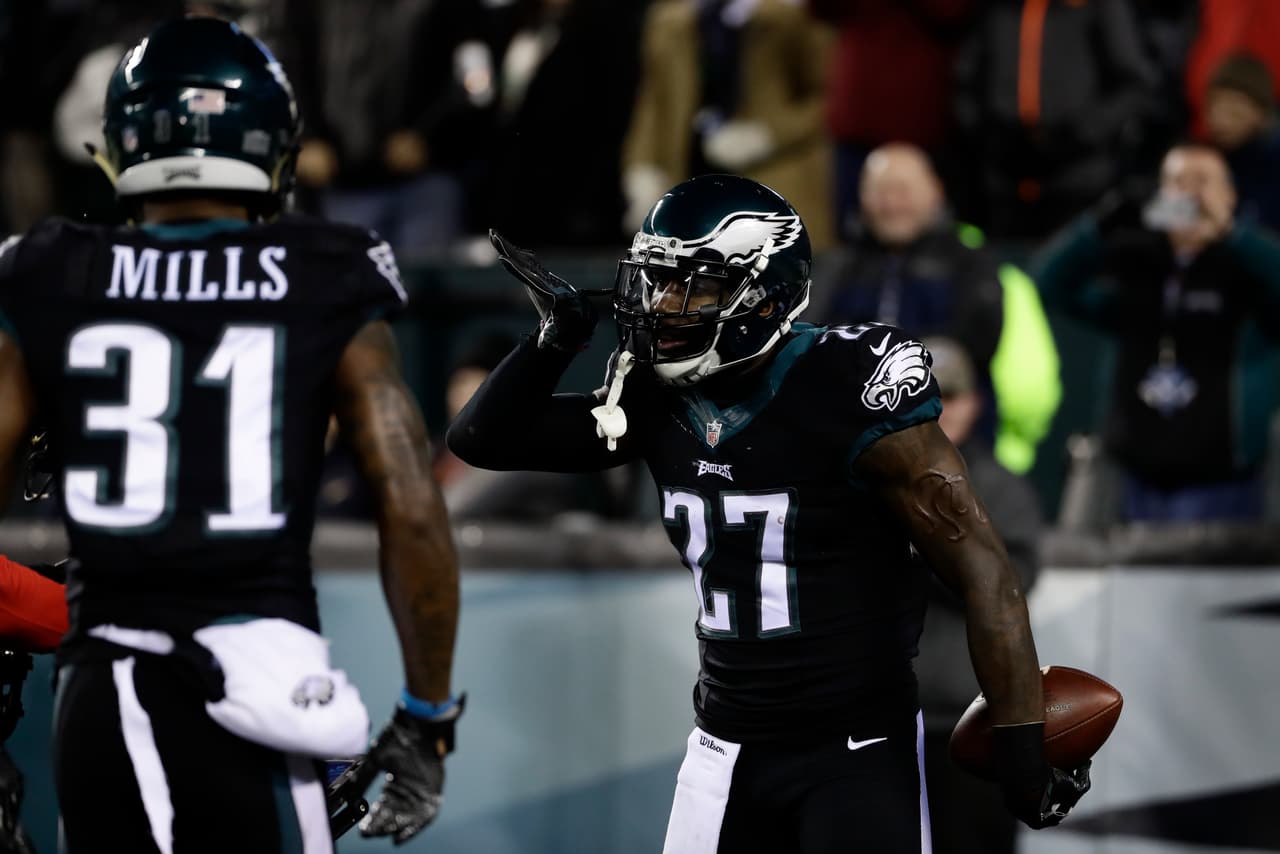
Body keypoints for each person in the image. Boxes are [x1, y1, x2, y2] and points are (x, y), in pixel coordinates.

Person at [448, 174, 1089, 851]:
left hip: (856, 753)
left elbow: (985, 571)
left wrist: (1023, 747)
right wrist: (555, 339)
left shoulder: (851, 385)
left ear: (762, 292)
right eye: (658, 280)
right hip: (723, 750)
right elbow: (481, 440)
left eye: (694, 283)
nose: (665, 304)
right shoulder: (656, 398)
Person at [0, 18, 461, 851]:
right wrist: (428, 718)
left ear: (119, 143)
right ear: (275, 146)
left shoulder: (48, 272)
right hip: (275, 680)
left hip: (116, 682)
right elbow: (414, 508)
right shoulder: (327, 269)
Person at [1034, 143, 1280, 522]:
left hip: (1225, 480)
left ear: (1230, 195)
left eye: (1203, 182)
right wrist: (1101, 222)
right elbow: (1048, 283)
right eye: (1178, 181)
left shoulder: (1248, 273)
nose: (1191, 193)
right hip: (1136, 478)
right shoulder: (1139, 268)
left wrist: (1232, 233)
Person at [915, 338, 1043, 854]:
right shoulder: (864, 483)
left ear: (973, 403)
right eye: (923, 394)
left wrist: (915, 547)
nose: (939, 409)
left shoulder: (1003, 490)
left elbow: (1010, 585)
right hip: (881, 722)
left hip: (973, 724)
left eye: (951, 395)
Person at [1203, 53, 1280, 231]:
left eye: (1234, 111)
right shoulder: (1205, 159)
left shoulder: (1273, 166)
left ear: (1261, 114)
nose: (1221, 121)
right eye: (1214, 106)